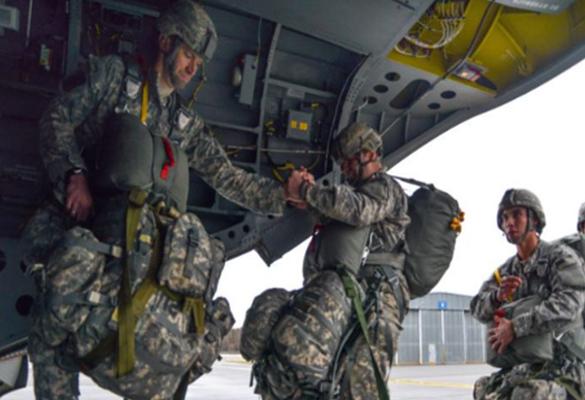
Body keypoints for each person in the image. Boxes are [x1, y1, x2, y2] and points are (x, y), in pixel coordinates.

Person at [22, 1, 287, 399]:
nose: (192, 68)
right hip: (82, 219)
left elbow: (227, 178)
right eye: (188, 55)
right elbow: (57, 119)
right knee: (52, 314)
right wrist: (73, 175)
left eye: (198, 62)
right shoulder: (112, 77)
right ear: (165, 41)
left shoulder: (185, 125)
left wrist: (285, 195)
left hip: (136, 244)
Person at [245, 122, 410, 399]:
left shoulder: (385, 188)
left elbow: (358, 210)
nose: (343, 170)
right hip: (345, 293)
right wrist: (306, 199)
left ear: (367, 154)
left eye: (346, 162)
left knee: (361, 381)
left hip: (379, 296)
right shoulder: (355, 194)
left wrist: (309, 192)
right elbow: (337, 214)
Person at [471, 189, 585, 400]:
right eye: (504, 218)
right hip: (525, 367)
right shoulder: (506, 271)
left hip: (567, 367)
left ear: (534, 219)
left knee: (529, 394)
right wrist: (497, 297)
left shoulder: (561, 259)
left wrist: (515, 327)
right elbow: (477, 308)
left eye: (516, 215)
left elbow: (569, 304)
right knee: (483, 390)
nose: (509, 223)